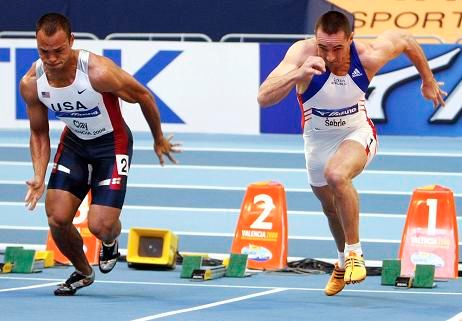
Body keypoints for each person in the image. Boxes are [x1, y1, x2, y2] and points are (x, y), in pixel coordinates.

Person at [257, 11, 446, 296]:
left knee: (337, 174)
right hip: (317, 142)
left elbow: (406, 39)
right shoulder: (301, 53)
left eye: (337, 48)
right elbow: (263, 97)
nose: (330, 56)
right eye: (323, 48)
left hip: (357, 133)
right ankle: (343, 261)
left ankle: (356, 252)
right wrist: (298, 73)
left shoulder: (367, 57)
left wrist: (428, 80)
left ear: (351, 40)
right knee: (330, 208)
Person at [20, 13, 180, 296]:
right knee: (56, 218)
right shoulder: (32, 82)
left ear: (71, 41)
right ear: (36, 44)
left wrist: (157, 139)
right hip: (75, 145)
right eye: (44, 51)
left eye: (59, 50)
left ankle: (110, 242)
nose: (52, 58)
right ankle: (82, 271)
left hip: (112, 144)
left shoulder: (98, 72)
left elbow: (144, 96)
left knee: (100, 225)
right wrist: (38, 174)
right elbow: (39, 132)